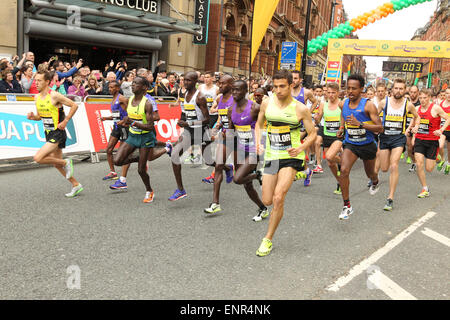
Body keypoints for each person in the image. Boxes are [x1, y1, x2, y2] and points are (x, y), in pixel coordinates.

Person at [254, 70, 317, 257]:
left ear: (291, 86)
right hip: (272, 155)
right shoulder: (267, 103)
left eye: (282, 86)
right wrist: (258, 141)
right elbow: (259, 124)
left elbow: (312, 133)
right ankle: (300, 174)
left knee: (278, 198)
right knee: (266, 200)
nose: (278, 90)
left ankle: (267, 239)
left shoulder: (301, 109)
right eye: (275, 86)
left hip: (291, 156)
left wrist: (301, 148)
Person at [205, 80, 268, 220]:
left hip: (253, 149)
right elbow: (232, 131)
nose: (234, 92)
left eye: (238, 90)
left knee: (237, 179)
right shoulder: (231, 109)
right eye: (233, 90)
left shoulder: (255, 108)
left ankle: (258, 174)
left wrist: (263, 144)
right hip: (239, 148)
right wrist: (222, 133)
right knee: (247, 184)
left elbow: (266, 125)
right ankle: (262, 208)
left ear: (246, 91)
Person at [26, 70, 83, 197]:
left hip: (58, 132)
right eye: (35, 80)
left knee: (38, 158)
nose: (36, 83)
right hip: (48, 132)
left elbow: (74, 105)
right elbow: (40, 117)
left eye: (39, 80)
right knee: (56, 164)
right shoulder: (37, 97)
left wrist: (66, 121)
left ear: (47, 82)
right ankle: (75, 184)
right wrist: (32, 117)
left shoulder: (55, 95)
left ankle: (66, 162)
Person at [336, 74, 383, 220]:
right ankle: (347, 206)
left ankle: (375, 181)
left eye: (354, 89)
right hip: (351, 144)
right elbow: (344, 115)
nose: (350, 91)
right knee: (343, 170)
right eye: (348, 88)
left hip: (367, 145)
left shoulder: (368, 105)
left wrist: (361, 124)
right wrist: (342, 127)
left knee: (370, 174)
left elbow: (380, 128)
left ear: (361, 89)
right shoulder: (344, 103)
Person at [168, 71, 215, 201]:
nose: (185, 82)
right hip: (189, 131)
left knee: (209, 161)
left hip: (201, 131)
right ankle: (180, 190)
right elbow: (184, 112)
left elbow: (207, 119)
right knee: (175, 155)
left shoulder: (200, 97)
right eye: (184, 80)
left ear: (195, 82)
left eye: (188, 80)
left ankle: (227, 168)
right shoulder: (184, 94)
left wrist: (188, 122)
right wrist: (181, 121)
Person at [377, 78, 420, 211]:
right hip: (385, 137)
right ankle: (375, 179)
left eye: (401, 88)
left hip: (398, 138)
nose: (398, 91)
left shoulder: (408, 105)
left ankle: (390, 198)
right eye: (396, 88)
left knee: (394, 165)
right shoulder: (384, 102)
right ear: (392, 89)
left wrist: (415, 127)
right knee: (384, 168)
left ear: (404, 90)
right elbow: (373, 115)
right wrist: (377, 125)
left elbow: (416, 116)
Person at [113, 77, 157, 203]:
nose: (133, 85)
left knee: (141, 170)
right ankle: (139, 158)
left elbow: (150, 127)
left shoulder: (147, 103)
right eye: (132, 83)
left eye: (136, 84)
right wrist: (125, 121)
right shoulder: (130, 99)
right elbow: (130, 116)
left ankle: (149, 191)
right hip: (133, 136)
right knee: (117, 160)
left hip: (145, 138)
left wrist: (133, 122)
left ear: (144, 87)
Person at [203, 75, 236, 213]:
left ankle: (256, 175)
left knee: (242, 176)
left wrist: (231, 130)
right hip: (225, 137)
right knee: (218, 166)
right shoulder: (219, 99)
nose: (219, 85)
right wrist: (215, 130)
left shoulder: (237, 100)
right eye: (219, 83)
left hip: (240, 137)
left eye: (223, 83)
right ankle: (215, 203)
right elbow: (221, 119)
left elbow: (243, 119)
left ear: (230, 85)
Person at [414, 89, 450, 197]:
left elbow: (448, 118)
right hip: (420, 140)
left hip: (432, 141)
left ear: (429, 97)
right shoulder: (417, 109)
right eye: (420, 98)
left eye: (425, 98)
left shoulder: (435, 108)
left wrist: (441, 129)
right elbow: (416, 121)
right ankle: (425, 188)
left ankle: (437, 157)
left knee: (429, 169)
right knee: (419, 164)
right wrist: (414, 127)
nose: (422, 100)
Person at [99, 81, 131, 187]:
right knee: (108, 149)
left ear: (117, 88)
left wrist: (126, 122)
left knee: (123, 153)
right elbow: (116, 115)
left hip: (124, 128)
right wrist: (106, 118)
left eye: (112, 87)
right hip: (116, 127)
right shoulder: (113, 99)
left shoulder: (122, 98)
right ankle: (113, 172)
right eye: (109, 87)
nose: (110, 89)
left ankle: (123, 179)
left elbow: (130, 113)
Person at [291, 70, 318, 186]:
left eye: (296, 78)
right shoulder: (287, 91)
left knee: (294, 145)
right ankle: (307, 171)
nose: (293, 80)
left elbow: (316, 102)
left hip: (302, 126)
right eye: (292, 78)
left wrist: (308, 113)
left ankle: (298, 170)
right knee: (294, 147)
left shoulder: (306, 92)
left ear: (301, 80)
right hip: (290, 124)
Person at [316, 82, 343, 194]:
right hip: (327, 134)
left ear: (338, 93)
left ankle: (344, 162)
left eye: (333, 93)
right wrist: (316, 118)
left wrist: (341, 128)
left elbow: (344, 118)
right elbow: (319, 118)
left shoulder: (342, 104)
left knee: (329, 156)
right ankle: (340, 182)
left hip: (338, 136)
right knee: (330, 163)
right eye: (328, 92)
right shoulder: (323, 104)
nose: (330, 95)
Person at [406, 85, 421, 171]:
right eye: (411, 92)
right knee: (410, 146)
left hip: (418, 127)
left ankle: (419, 162)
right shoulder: (406, 102)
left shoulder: (420, 102)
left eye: (415, 92)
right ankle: (414, 162)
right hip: (408, 126)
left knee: (416, 145)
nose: (412, 94)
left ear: (418, 93)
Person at [437, 88, 450, 174]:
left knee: (449, 150)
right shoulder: (440, 105)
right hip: (442, 129)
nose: (449, 95)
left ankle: (448, 163)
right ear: (444, 94)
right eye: (447, 93)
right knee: (440, 145)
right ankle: (442, 159)